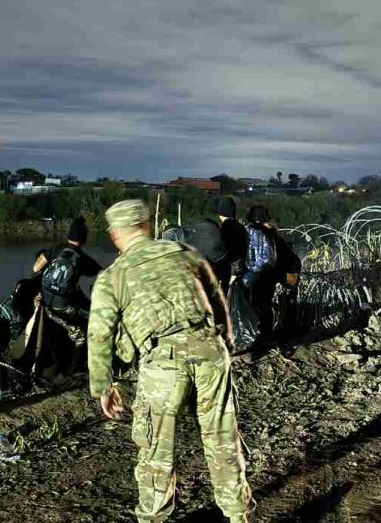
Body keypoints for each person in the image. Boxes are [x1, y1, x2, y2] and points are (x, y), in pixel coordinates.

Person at [88, 199, 252, 523]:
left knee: (155, 449)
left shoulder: (113, 276)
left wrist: (103, 387)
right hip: (209, 350)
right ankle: (237, 515)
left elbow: (99, 336)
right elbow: (218, 302)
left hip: (163, 361)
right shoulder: (185, 253)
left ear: (115, 234)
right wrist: (226, 343)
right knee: (222, 440)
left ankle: (154, 517)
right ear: (148, 225)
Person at [33, 216, 102, 376]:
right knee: (84, 331)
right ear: (84, 238)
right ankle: (74, 369)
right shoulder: (83, 258)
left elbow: (36, 268)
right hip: (63, 306)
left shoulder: (56, 249)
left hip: (44, 300)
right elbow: (101, 273)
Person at [242, 205, 277, 347]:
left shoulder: (252, 232)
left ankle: (255, 337)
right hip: (268, 276)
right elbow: (270, 258)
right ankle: (266, 336)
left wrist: (250, 274)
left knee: (255, 307)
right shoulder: (271, 232)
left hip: (255, 276)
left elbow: (262, 257)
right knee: (265, 307)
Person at [217, 196, 249, 295]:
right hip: (241, 269)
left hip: (227, 271)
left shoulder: (222, 229)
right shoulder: (241, 228)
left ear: (220, 214)